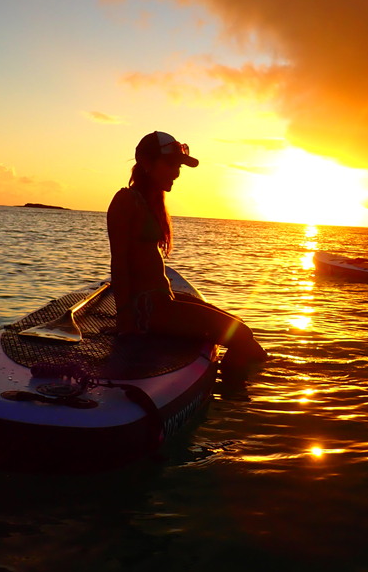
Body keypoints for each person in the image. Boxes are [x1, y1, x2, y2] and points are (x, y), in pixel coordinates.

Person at [107, 131, 267, 384]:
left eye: (178, 166)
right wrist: (124, 317)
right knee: (241, 335)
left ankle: (251, 385)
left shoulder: (150, 202)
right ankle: (233, 397)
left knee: (241, 330)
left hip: (161, 302)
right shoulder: (126, 200)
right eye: (170, 164)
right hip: (147, 311)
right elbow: (119, 262)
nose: (176, 173)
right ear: (147, 162)